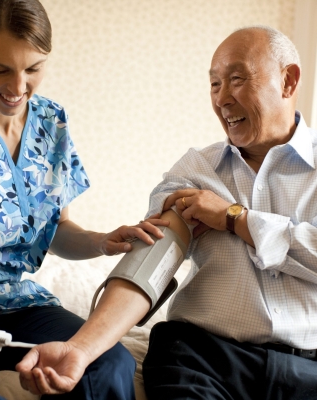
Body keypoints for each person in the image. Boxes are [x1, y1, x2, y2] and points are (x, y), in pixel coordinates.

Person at [17, 25, 317, 400]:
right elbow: (150, 263)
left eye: (237, 79)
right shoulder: (194, 173)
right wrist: (80, 349)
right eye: (214, 84)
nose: (222, 98)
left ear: (288, 81)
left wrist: (235, 218)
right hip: (204, 358)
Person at [0, 1, 167, 399]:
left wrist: (103, 242)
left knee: (110, 364)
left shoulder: (51, 122)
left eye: (33, 69)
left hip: (18, 303)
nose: (18, 88)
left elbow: (57, 230)